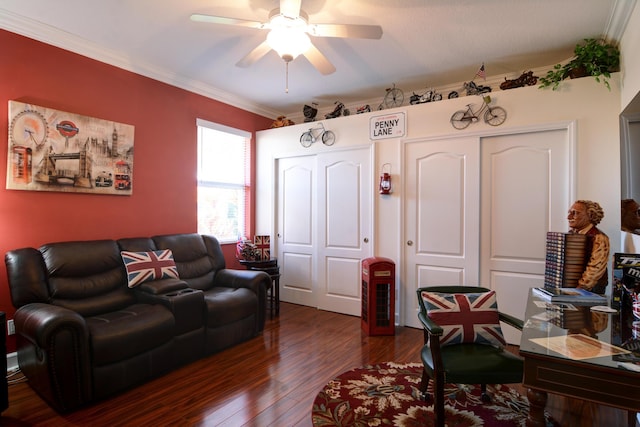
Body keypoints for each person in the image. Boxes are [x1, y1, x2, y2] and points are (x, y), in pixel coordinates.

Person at [567, 200, 610, 294]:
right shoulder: (572, 234)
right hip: (573, 286)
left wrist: (579, 289)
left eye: (575, 213)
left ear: (590, 216)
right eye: (569, 213)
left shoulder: (598, 237)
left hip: (590, 289)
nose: (569, 217)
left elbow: (595, 268)